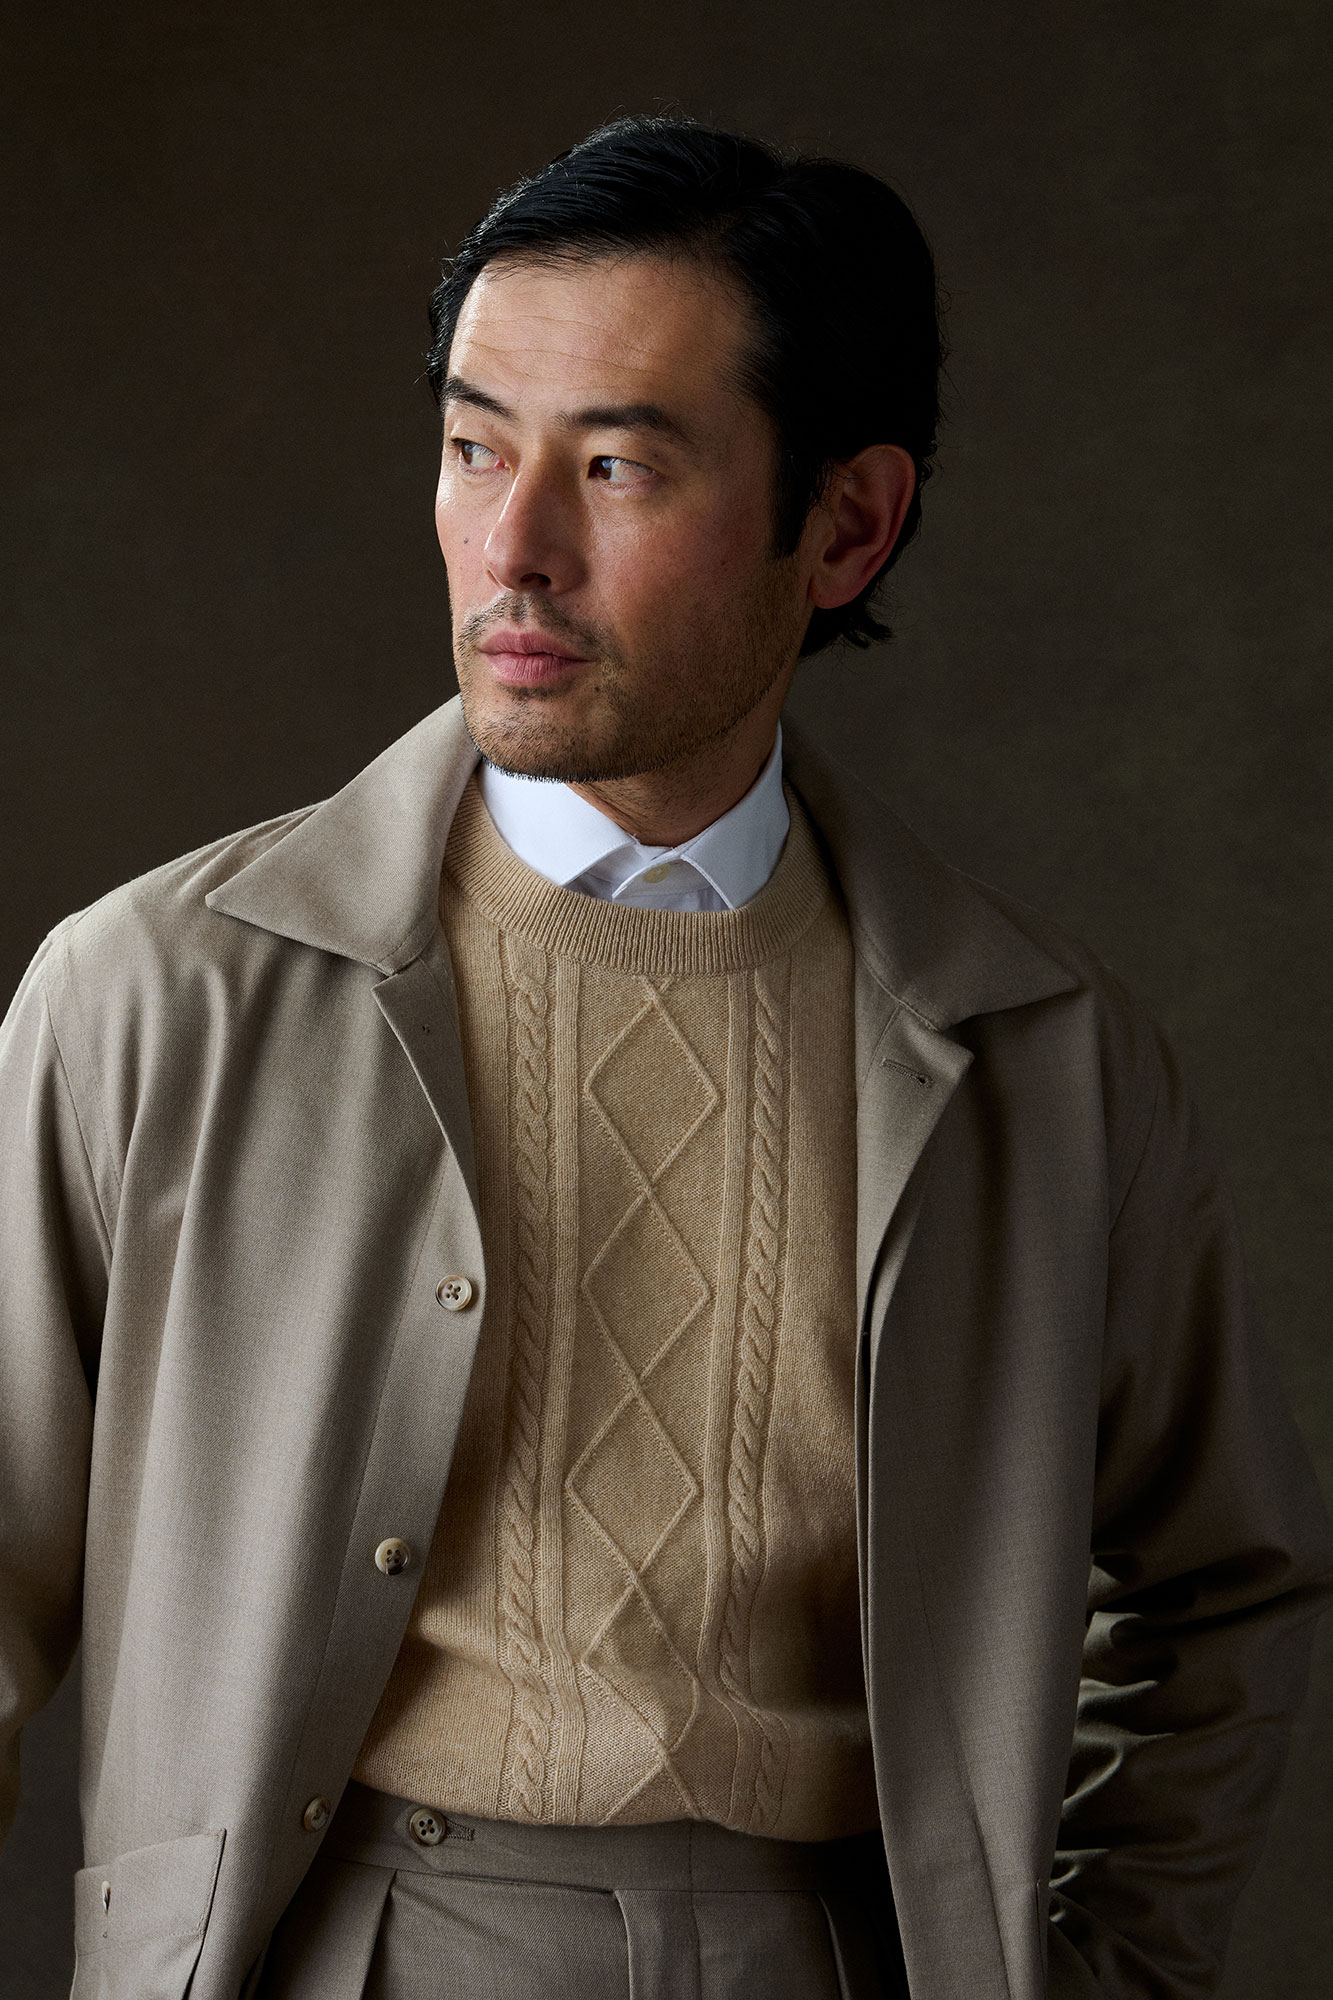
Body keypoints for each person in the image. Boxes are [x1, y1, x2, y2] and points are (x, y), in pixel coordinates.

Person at [1, 116, 1329, 2000]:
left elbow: (1220, 1588)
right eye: (474, 447)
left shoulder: (1048, 1062)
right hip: (335, 1946)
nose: (512, 548)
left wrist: (1106, 1968)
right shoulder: (153, 995)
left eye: (615, 466)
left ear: (846, 525)